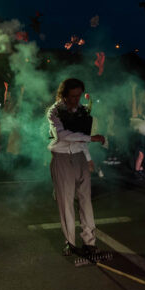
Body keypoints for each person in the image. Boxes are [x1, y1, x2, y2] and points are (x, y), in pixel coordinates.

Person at [47, 78, 105, 256]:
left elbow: (81, 137)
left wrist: (88, 158)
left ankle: (90, 241)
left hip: (79, 157)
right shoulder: (54, 111)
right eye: (72, 96)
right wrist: (91, 138)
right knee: (66, 202)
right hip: (62, 158)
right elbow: (63, 135)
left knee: (86, 201)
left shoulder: (81, 110)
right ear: (64, 95)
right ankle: (70, 243)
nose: (76, 100)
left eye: (78, 96)